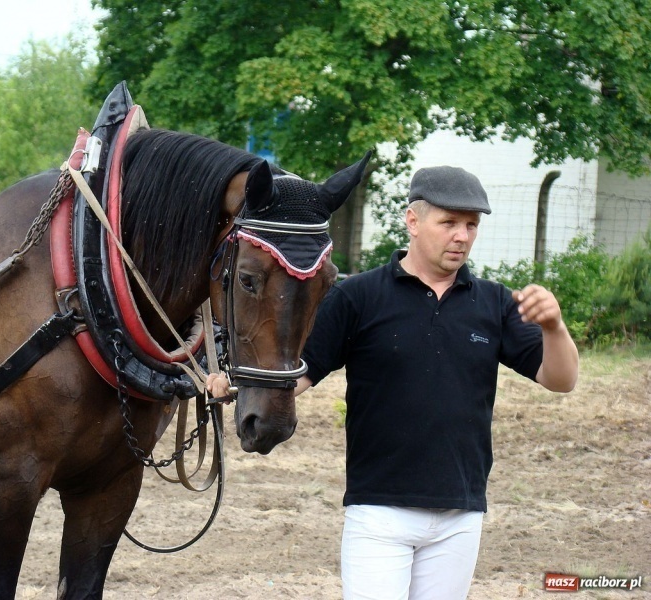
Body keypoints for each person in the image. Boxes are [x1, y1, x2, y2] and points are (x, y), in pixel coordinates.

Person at [207, 165, 579, 600]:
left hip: (461, 513)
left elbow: (561, 380)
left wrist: (554, 327)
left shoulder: (493, 303)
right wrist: (231, 385)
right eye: (449, 223)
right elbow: (298, 375)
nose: (462, 236)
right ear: (413, 221)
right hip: (379, 513)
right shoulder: (358, 297)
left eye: (471, 225)